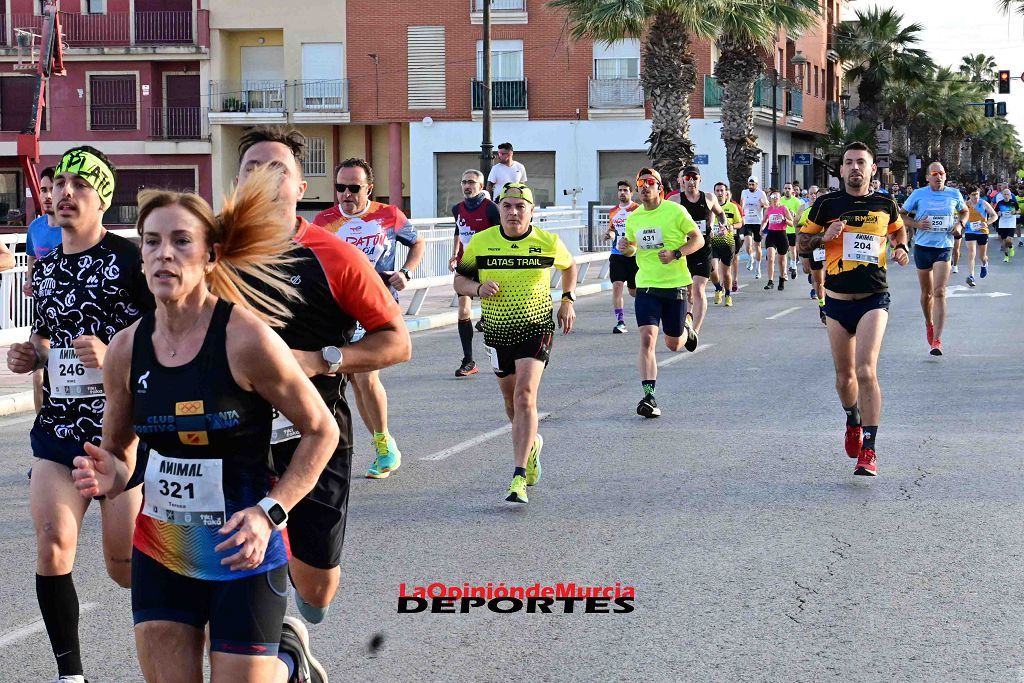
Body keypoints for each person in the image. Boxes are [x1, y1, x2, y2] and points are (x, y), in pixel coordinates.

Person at [71, 168, 340, 683]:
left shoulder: (246, 339)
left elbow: (320, 430)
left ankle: (287, 663)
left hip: (244, 547)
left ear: (210, 256)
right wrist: (109, 474)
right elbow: (121, 454)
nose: (163, 254)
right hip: (164, 547)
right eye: (151, 242)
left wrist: (271, 512)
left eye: (180, 241)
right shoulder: (126, 348)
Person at [236, 127, 411, 632]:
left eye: (279, 170)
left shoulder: (334, 256)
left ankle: (291, 603)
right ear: (237, 180)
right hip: (227, 436)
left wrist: (321, 359)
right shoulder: (209, 252)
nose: (264, 179)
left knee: (316, 590)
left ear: (300, 187)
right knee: (225, 564)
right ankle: (263, 626)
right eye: (252, 168)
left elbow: (396, 343)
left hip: (310, 436)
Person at [5, 146, 152, 683]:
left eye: (80, 186)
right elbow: (45, 338)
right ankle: (71, 676)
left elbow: (167, 337)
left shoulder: (132, 259)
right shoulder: (43, 269)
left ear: (102, 200)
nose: (64, 193)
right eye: (59, 183)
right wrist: (31, 354)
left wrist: (113, 350)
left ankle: (207, 625)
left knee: (124, 567)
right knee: (51, 543)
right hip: (60, 429)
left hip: (123, 431)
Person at [453, 183, 577, 504]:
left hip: (536, 326)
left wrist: (567, 299)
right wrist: (478, 288)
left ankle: (518, 477)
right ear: (500, 210)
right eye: (507, 206)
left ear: (531, 211)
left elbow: (570, 266)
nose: (513, 212)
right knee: (511, 403)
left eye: (520, 207)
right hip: (497, 331)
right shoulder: (482, 242)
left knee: (524, 396)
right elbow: (459, 281)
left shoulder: (547, 242)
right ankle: (531, 443)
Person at [797, 142, 909, 477]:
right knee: (844, 378)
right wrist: (822, 237)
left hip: (874, 298)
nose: (856, 168)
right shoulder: (826, 203)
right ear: (841, 169)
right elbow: (801, 242)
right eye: (849, 163)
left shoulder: (884, 202)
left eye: (862, 162)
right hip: (836, 301)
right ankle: (852, 419)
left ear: (873, 169)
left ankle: (870, 450)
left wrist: (900, 246)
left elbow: (898, 227)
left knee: (865, 371)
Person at [314, 159, 424, 479]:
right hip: (339, 311)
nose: (346, 194)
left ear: (369, 189)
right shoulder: (323, 222)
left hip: (376, 306)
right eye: (340, 188)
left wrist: (406, 271)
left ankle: (384, 446)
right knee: (354, 381)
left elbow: (417, 242)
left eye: (354, 188)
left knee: (365, 376)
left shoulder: (388, 216)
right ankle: (381, 442)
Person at [619, 168, 704, 419]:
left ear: (660, 188)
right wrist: (626, 249)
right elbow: (633, 249)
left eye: (650, 183)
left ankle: (686, 326)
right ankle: (649, 396)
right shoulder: (633, 218)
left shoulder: (675, 211)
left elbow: (697, 239)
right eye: (640, 183)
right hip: (646, 285)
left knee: (674, 344)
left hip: (675, 285)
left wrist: (677, 253)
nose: (645, 186)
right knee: (647, 339)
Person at [900, 162, 969, 356]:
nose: (938, 177)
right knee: (927, 294)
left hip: (943, 247)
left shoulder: (954, 194)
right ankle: (928, 323)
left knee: (939, 292)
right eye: (934, 174)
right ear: (928, 177)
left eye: (941, 173)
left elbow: (964, 212)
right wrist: (916, 223)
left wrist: (960, 225)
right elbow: (901, 215)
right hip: (922, 247)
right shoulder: (918, 194)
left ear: (945, 176)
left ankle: (937, 340)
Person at [449, 169, 501, 373]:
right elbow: (458, 230)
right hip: (466, 264)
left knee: (493, 313)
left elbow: (501, 234)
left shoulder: (491, 209)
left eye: (471, 182)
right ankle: (468, 360)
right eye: (464, 182)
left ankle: (503, 355)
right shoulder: (457, 209)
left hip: (487, 263)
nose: (467, 186)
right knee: (463, 311)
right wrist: (454, 254)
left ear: (481, 186)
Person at [670, 165, 726, 333]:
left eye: (694, 178)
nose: (691, 181)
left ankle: (695, 330)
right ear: (681, 181)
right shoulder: (675, 201)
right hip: (685, 249)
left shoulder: (709, 198)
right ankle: (688, 316)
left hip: (704, 248)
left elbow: (721, 214)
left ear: (700, 180)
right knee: (689, 291)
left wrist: (723, 225)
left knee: (698, 288)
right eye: (687, 178)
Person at [23, 166, 60, 412]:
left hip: (70, 312)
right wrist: (29, 280)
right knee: (38, 376)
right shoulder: (35, 228)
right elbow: (32, 259)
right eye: (43, 189)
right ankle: (41, 428)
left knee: (60, 377)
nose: (47, 195)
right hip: (42, 312)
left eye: (52, 189)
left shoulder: (72, 228)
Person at [605, 180, 640, 333]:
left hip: (634, 254)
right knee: (617, 285)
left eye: (625, 190)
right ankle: (620, 321)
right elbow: (613, 229)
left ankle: (647, 312)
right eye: (620, 190)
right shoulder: (613, 211)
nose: (622, 193)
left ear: (631, 193)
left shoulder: (638, 210)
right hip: (617, 254)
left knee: (634, 291)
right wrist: (609, 235)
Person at [712, 181, 742, 306]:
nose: (719, 193)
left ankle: (728, 294)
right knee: (712, 269)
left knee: (726, 272)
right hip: (713, 242)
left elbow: (740, 223)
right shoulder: (710, 206)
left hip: (728, 243)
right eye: (717, 190)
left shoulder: (732, 207)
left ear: (726, 193)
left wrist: (730, 227)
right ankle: (718, 288)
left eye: (721, 191)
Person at [761, 192, 794, 291]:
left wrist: (784, 219)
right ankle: (770, 281)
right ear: (770, 199)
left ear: (780, 198)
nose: (774, 199)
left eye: (776, 197)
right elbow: (764, 221)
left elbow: (791, 223)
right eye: (772, 197)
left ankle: (781, 279)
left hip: (782, 235)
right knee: (770, 257)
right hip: (771, 235)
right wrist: (761, 229)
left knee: (781, 260)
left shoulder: (784, 208)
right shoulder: (768, 209)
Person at [963, 187, 996, 286]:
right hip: (970, 231)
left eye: (977, 194)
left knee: (982, 256)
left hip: (982, 232)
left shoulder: (983, 203)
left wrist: (987, 223)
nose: (976, 196)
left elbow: (994, 216)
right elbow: (960, 216)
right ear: (969, 195)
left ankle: (984, 264)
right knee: (971, 253)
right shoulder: (966, 205)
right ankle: (971, 276)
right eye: (973, 194)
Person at [740, 176, 768, 279]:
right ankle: (751, 257)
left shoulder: (761, 193)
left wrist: (762, 204)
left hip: (758, 222)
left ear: (757, 184)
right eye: (749, 184)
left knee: (757, 246)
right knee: (748, 244)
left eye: (753, 184)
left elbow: (767, 206)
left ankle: (758, 268)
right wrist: (742, 207)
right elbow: (741, 204)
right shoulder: (744, 192)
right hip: (747, 222)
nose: (751, 186)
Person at [780, 182, 804, 280]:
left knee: (792, 249)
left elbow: (801, 216)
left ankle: (793, 266)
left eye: (789, 188)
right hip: (782, 230)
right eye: (785, 188)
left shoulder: (797, 201)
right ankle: (784, 271)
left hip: (792, 229)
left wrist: (795, 215)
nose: (787, 190)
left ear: (792, 191)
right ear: (783, 189)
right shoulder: (780, 200)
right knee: (783, 252)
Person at [993, 187, 1020, 261]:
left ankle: (1011, 247)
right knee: (1004, 241)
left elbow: (1019, 211)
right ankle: (1006, 256)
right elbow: (995, 212)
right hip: (1002, 224)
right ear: (1002, 195)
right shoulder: (1000, 203)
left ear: (1010, 194)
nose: (1006, 195)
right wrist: (998, 213)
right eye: (1004, 194)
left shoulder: (1013, 202)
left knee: (1009, 240)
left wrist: (1015, 212)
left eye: (1007, 194)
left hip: (1011, 223)